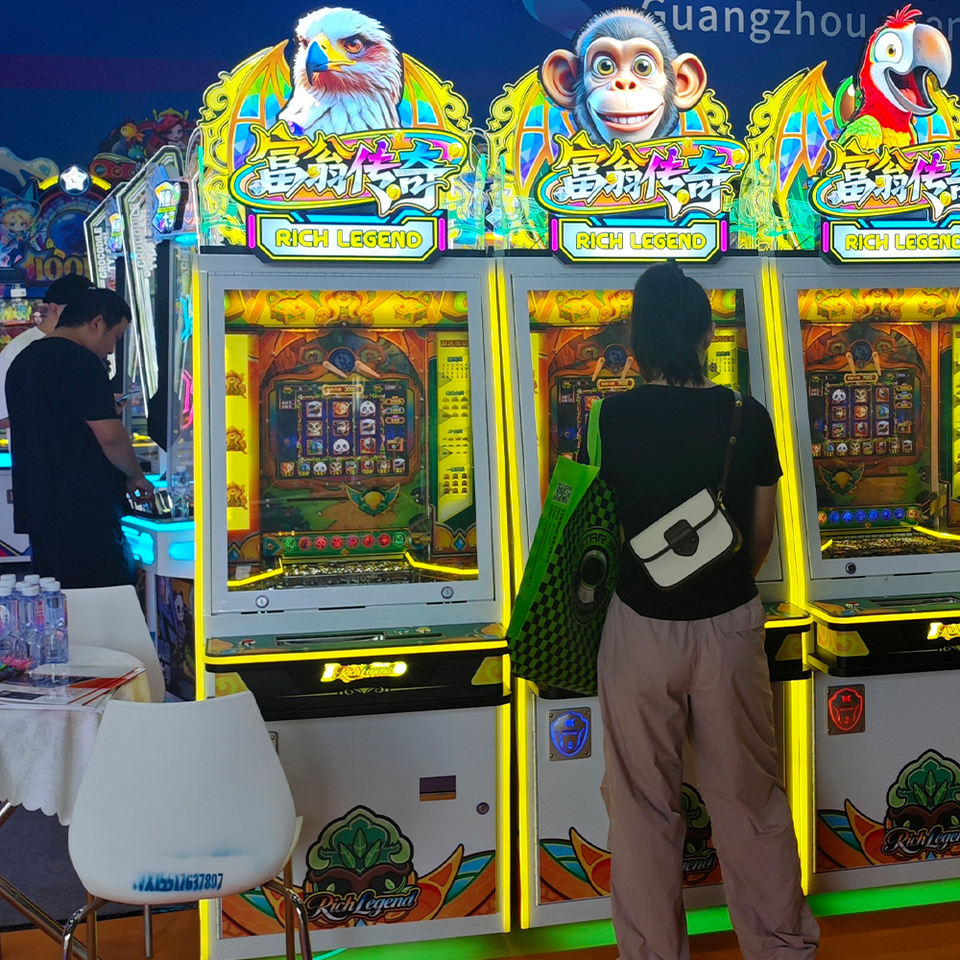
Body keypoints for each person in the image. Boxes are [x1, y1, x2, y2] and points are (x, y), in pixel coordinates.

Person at [592, 263, 819, 960]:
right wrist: (717, 585)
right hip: (728, 623)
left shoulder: (611, 416)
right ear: (706, 335)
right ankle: (780, 946)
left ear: (638, 341)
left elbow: (599, 527)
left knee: (642, 805)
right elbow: (760, 534)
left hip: (639, 624)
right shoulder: (748, 415)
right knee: (749, 797)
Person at [5, 288, 153, 588]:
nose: (111, 350)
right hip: (83, 508)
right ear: (96, 323)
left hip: (39, 505)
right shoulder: (80, 361)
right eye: (116, 337)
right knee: (103, 594)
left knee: (62, 595)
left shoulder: (23, 360)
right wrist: (135, 475)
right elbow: (110, 437)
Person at [0, 273, 93, 431]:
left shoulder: (80, 346)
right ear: (54, 309)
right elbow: (2, 417)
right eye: (78, 310)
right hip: (38, 445)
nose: (85, 317)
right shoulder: (20, 349)